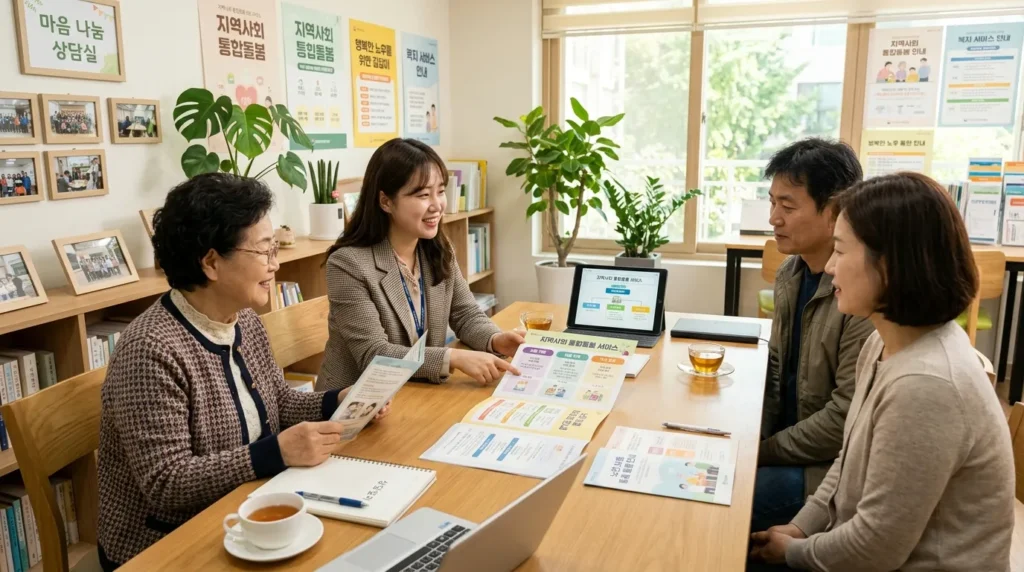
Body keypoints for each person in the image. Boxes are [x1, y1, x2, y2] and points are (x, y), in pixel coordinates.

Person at [97, 173, 389, 570]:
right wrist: (275, 452)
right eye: (265, 251)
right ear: (212, 262)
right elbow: (167, 483)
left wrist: (336, 402)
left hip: (246, 505)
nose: (276, 263)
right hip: (164, 542)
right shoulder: (150, 350)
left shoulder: (243, 320)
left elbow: (277, 402)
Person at [750, 172, 1014, 571]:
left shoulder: (926, 384)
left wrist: (794, 553)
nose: (832, 268)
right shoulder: (883, 341)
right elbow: (847, 458)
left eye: (840, 251)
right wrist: (800, 529)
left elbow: (875, 548)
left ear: (890, 265)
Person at [317, 138, 524, 390]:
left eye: (440, 191)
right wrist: (453, 357)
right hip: (357, 405)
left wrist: (496, 339)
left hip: (416, 390)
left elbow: (465, 313)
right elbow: (374, 353)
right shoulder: (348, 264)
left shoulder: (437, 248)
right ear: (385, 202)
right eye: (423, 194)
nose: (437, 205)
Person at [751, 138, 875, 535]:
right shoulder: (791, 272)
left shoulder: (862, 293)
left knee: (720, 500)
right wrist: (754, 436)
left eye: (787, 206)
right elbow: (775, 368)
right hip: (788, 447)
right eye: (771, 202)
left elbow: (843, 419)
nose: (773, 218)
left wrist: (763, 453)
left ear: (835, 211)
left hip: (827, 470)